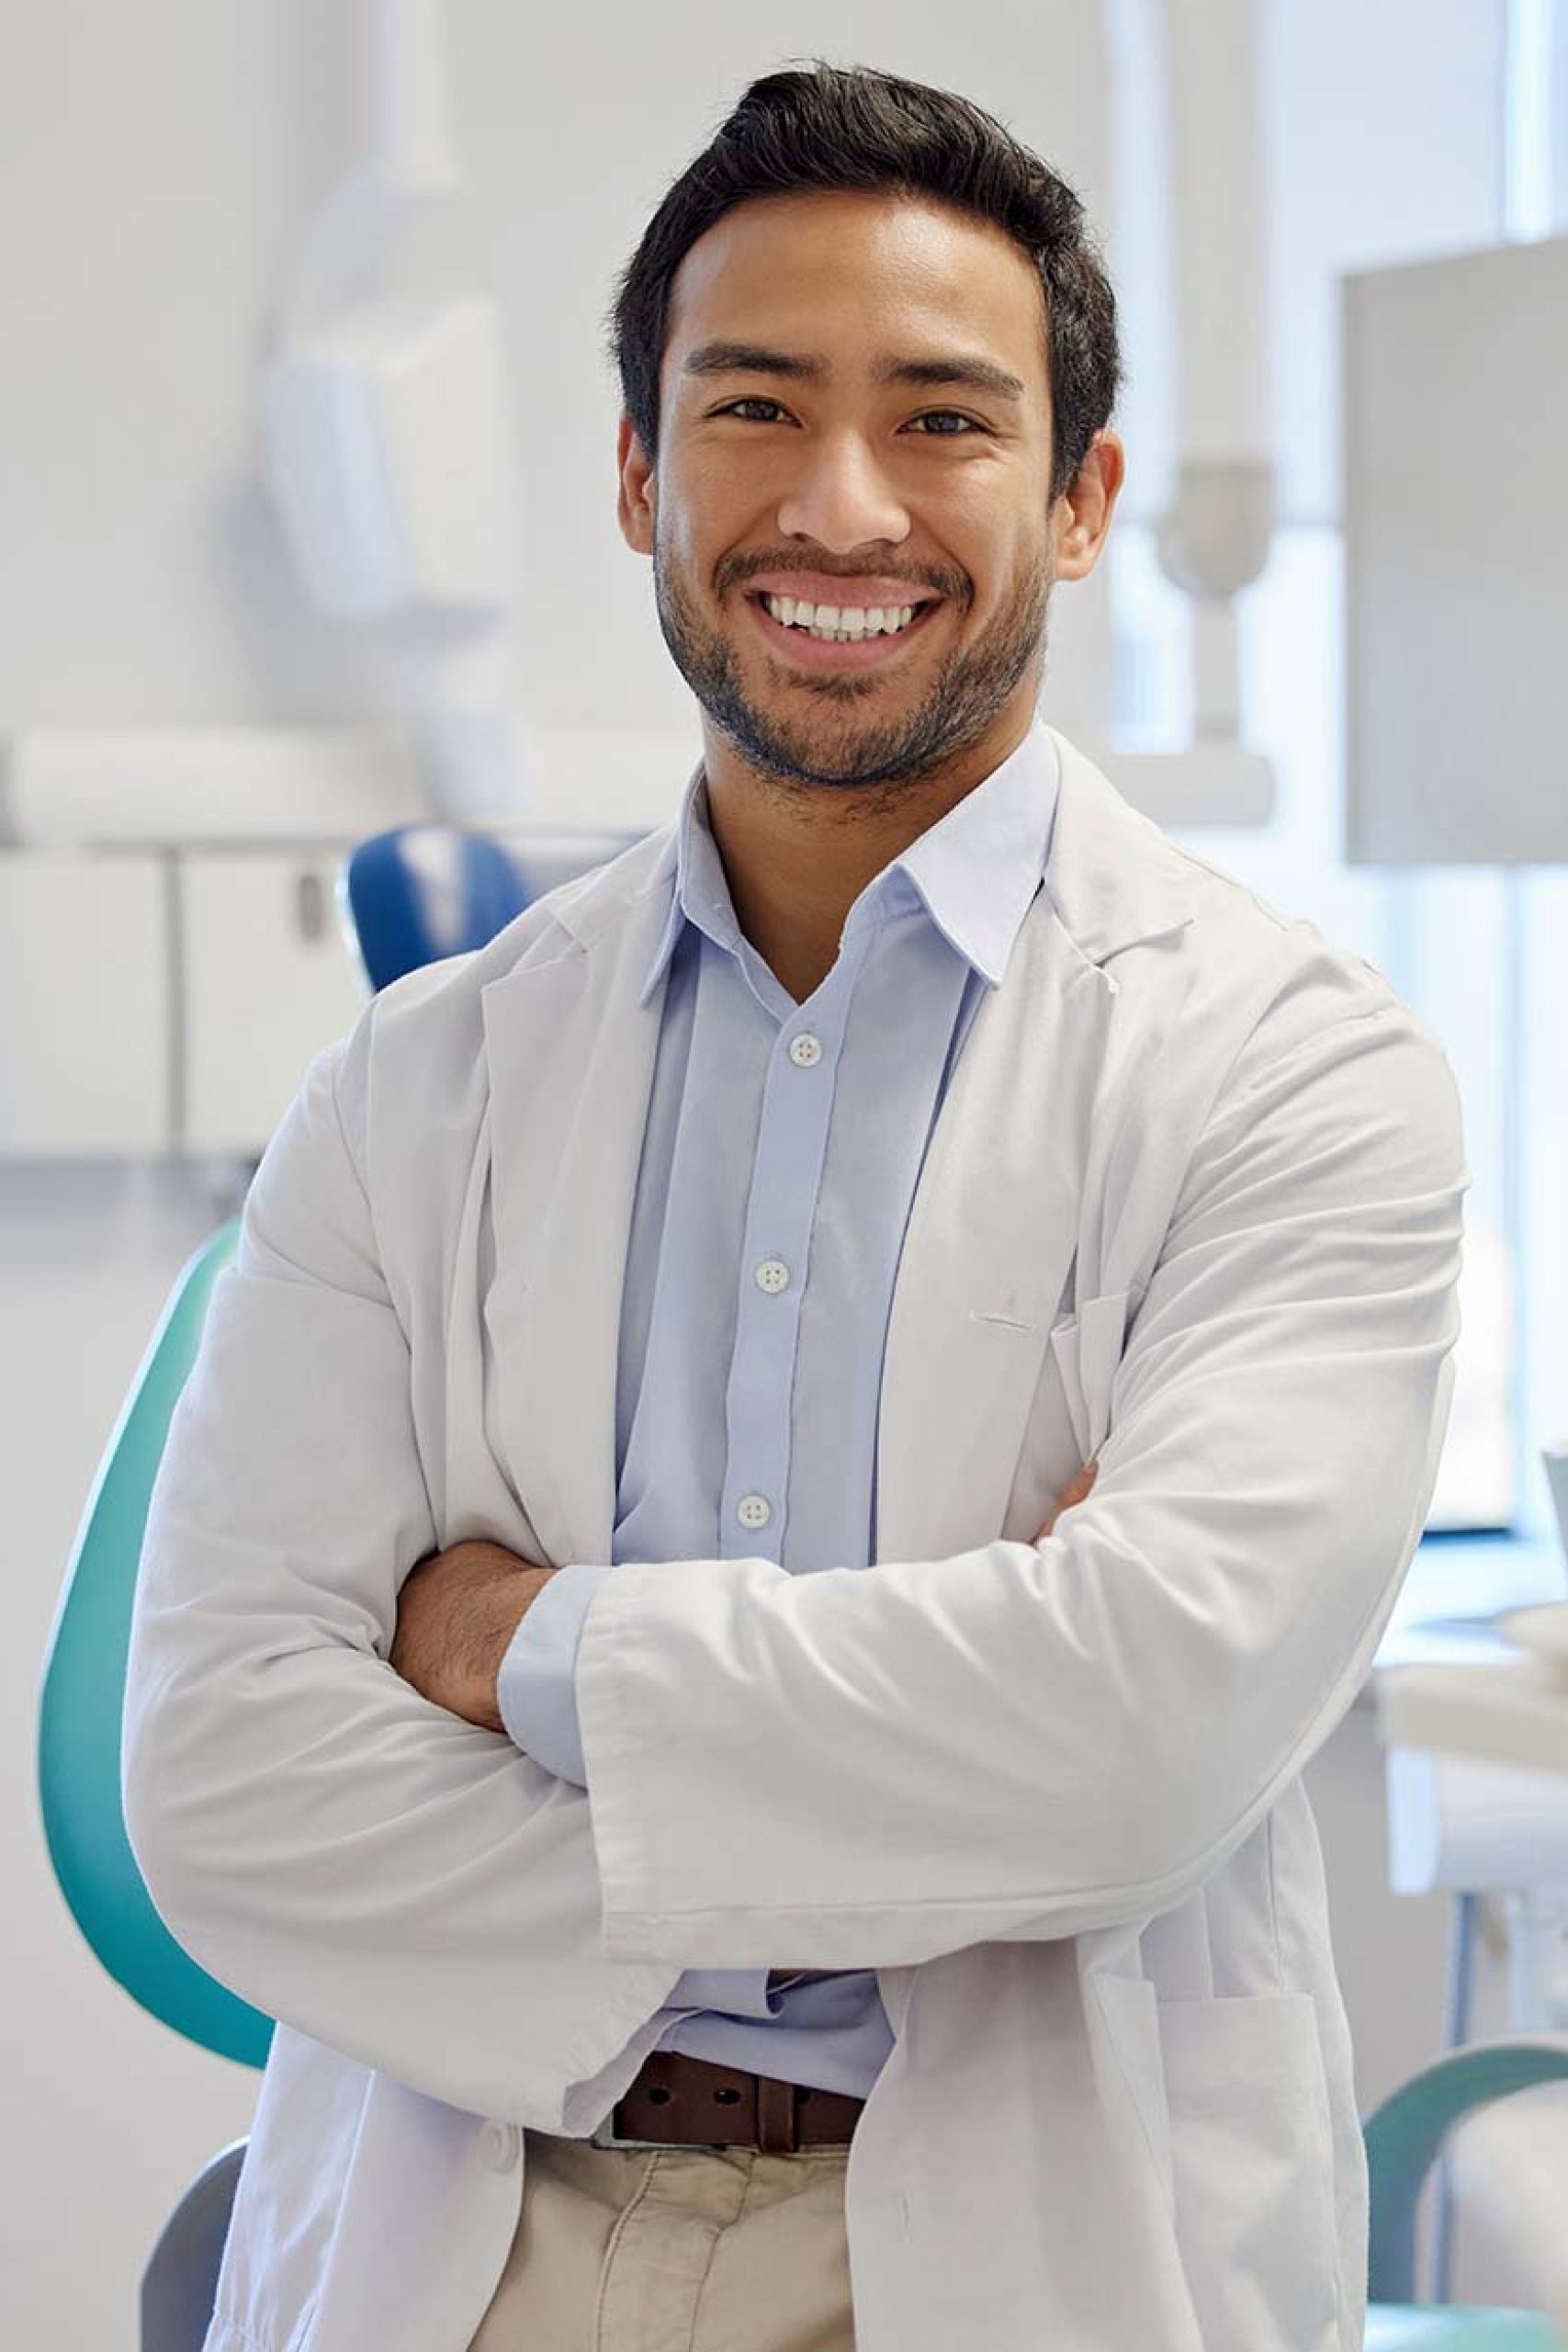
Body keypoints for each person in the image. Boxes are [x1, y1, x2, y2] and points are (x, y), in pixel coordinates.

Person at [122, 58, 1468, 2352]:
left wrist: (507, 1645)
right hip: (475, 2223)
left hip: (998, 2240)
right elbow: (223, 1774)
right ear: (641, 476)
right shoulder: (415, 1080)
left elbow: (1129, 1735)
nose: (839, 507)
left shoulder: (1294, 1076)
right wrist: (925, 1816)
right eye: (752, 407)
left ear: (1075, 501)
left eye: (943, 418)